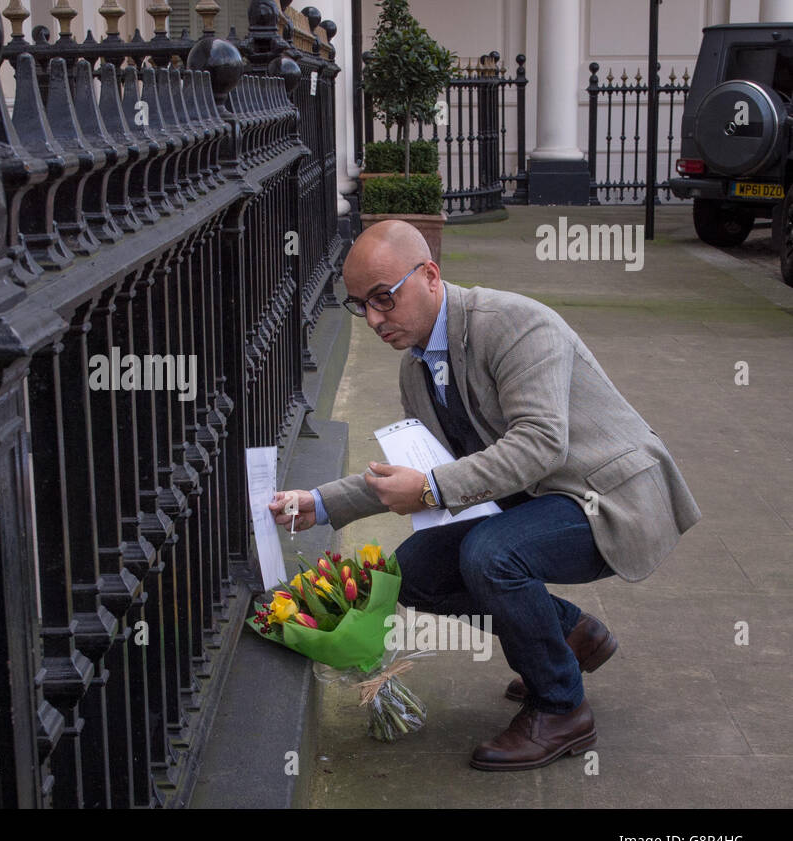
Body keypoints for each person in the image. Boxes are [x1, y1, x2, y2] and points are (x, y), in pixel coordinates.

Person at [269, 219, 701, 771]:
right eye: (360, 306)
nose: (374, 319)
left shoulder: (516, 325)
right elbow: (420, 465)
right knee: (416, 571)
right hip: (537, 497)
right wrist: (320, 502)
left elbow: (541, 442)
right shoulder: (416, 366)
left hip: (607, 497)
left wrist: (428, 490)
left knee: (492, 555)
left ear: (428, 275)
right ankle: (569, 634)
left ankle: (562, 707)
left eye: (384, 298)